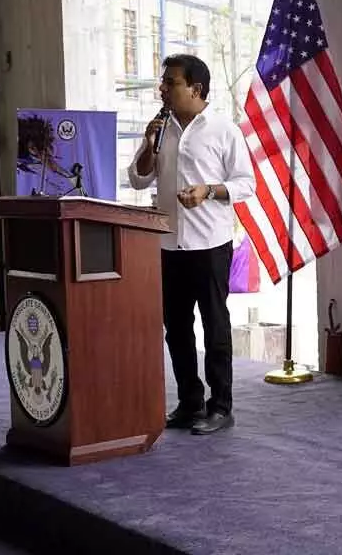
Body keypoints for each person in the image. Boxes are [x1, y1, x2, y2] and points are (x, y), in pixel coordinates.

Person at [128, 54, 256, 435]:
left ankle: (221, 407)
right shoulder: (160, 127)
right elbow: (137, 179)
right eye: (164, 82)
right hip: (168, 245)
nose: (163, 88)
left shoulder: (223, 129)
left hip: (211, 246)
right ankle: (189, 402)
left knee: (215, 327)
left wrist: (209, 191)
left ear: (196, 89)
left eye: (171, 82)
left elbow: (247, 184)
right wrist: (150, 144)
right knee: (177, 329)